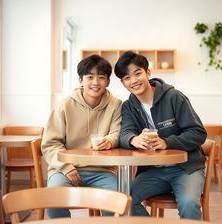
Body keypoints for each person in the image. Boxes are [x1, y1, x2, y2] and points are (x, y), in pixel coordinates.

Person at [114, 51, 207, 219]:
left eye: (137, 73)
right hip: (154, 170)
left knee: (188, 203)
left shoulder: (173, 97)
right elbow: (124, 133)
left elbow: (198, 133)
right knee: (123, 200)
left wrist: (166, 142)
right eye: (127, 78)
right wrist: (134, 139)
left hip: (186, 167)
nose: (133, 81)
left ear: (148, 73)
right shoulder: (128, 106)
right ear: (123, 83)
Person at [42, 54, 122, 218]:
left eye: (101, 77)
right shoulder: (64, 106)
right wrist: (66, 167)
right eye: (90, 77)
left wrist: (110, 140)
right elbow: (51, 144)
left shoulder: (116, 105)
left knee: (117, 200)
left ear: (107, 81)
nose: (95, 82)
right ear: (80, 80)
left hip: (103, 170)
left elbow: (117, 132)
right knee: (52, 199)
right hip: (65, 169)